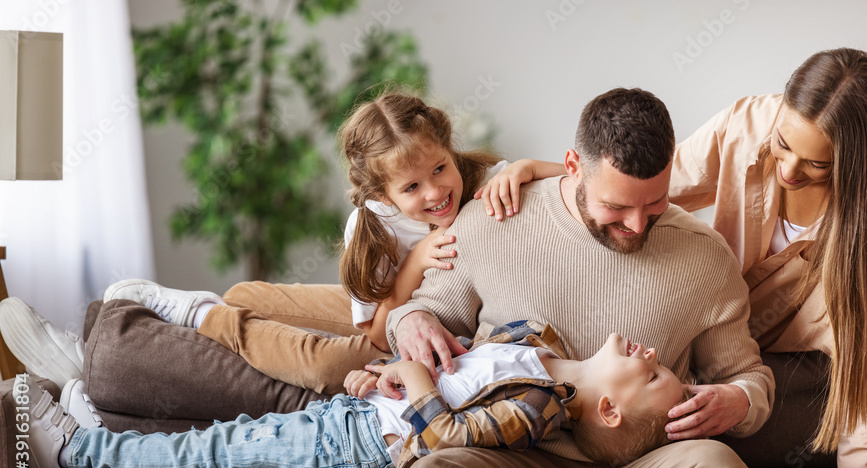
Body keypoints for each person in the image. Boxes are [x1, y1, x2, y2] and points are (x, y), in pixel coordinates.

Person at [381, 87, 774, 468]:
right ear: (572, 167)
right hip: (517, 457)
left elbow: (749, 373)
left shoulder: (704, 257)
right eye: (616, 206)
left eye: (654, 203)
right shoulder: (496, 220)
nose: (637, 225)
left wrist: (740, 400)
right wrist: (410, 322)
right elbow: (423, 312)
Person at [1, 92, 562, 395]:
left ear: (448, 148)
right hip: (389, 310)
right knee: (246, 293)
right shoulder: (372, 227)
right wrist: (413, 262)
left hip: (408, 331)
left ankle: (171, 325)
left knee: (329, 366)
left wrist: (527, 169)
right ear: (381, 192)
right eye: (411, 187)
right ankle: (118, 344)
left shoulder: (478, 178)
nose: (437, 191)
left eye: (440, 169)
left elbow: (564, 175)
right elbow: (373, 320)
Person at [21, 321, 688, 468]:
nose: (654, 352)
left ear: (608, 406)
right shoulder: (539, 346)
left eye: (653, 374)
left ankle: (76, 453)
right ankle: (103, 435)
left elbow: (445, 435)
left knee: (218, 451)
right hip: (365, 414)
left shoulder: (539, 410)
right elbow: (450, 371)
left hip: (361, 448)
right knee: (223, 435)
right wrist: (393, 372)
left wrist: (415, 376)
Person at [669, 48, 867, 468]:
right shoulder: (746, 122)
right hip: (712, 309)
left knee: (861, 300)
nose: (788, 170)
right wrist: (554, 177)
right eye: (783, 146)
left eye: (817, 165)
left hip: (796, 318)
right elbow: (654, 183)